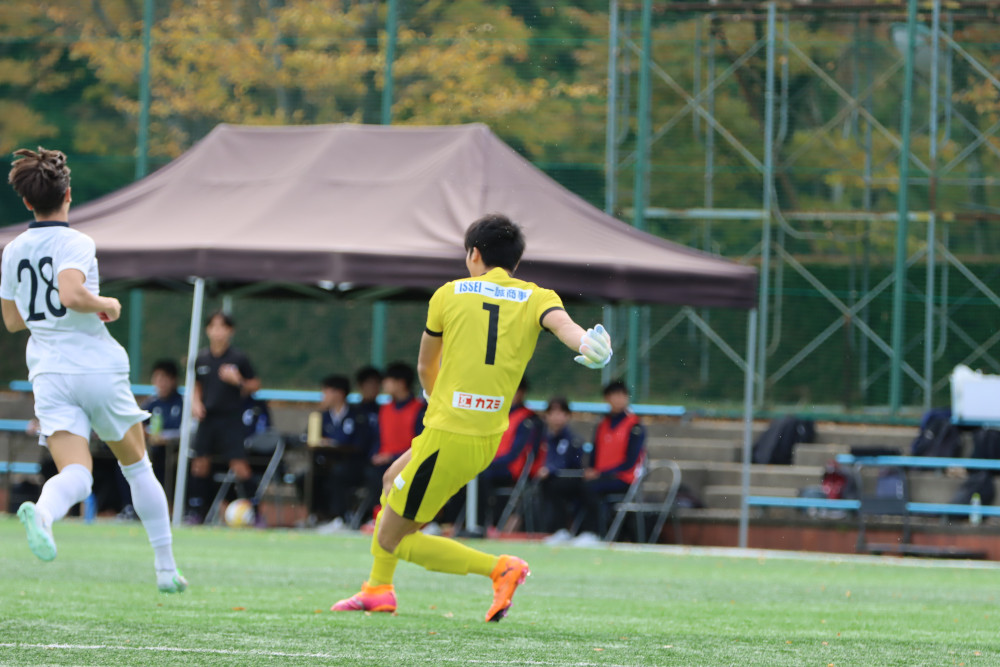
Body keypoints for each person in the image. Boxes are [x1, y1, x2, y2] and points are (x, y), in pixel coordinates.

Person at [331, 213, 612, 621]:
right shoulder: (537, 296)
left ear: (474, 254)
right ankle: (377, 589)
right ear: (516, 261)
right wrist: (587, 342)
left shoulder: (449, 293)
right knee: (391, 479)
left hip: (448, 433)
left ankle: (499, 568)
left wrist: (436, 397)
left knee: (390, 537)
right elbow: (565, 327)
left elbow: (425, 365)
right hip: (484, 436)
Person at [3, 147, 186, 593]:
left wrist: (49, 314)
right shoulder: (77, 242)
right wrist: (107, 304)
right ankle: (166, 570)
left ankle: (43, 513)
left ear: (27, 201)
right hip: (95, 367)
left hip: (48, 373)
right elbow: (70, 293)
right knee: (137, 467)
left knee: (77, 474)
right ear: (68, 194)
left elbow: (12, 320)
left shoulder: (12, 250)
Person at [186, 311, 261, 524]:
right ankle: (197, 511)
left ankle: (256, 511)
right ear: (208, 330)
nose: (218, 332)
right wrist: (196, 403)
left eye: (223, 327)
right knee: (200, 464)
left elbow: (255, 385)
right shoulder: (201, 358)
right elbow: (197, 386)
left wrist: (238, 381)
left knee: (239, 465)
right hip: (207, 419)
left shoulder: (238, 358)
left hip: (230, 419)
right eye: (214, 327)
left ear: (230, 331)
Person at [574, 380, 646, 545]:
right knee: (576, 484)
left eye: (622, 395)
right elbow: (595, 454)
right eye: (614, 395)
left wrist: (601, 473)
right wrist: (591, 470)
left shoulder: (635, 426)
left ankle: (596, 533)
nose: (619, 399)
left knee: (590, 488)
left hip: (623, 478)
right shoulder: (602, 424)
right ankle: (576, 532)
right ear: (607, 398)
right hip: (603, 477)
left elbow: (630, 463)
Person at [356, 362, 425, 527]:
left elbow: (422, 442)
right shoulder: (384, 409)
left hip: (408, 462)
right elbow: (378, 439)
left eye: (388, 380)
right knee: (369, 471)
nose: (383, 384)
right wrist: (375, 455)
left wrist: (393, 457)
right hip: (383, 462)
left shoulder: (419, 409)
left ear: (400, 383)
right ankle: (376, 516)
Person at [116, 359, 184, 520]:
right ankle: (130, 507)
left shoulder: (182, 403)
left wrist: (164, 437)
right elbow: (136, 426)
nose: (160, 383)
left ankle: (167, 509)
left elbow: (184, 431)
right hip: (149, 451)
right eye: (157, 378)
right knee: (124, 463)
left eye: (164, 378)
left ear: (173, 380)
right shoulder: (150, 403)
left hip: (172, 454)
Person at [476, 377, 541, 530]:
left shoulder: (528, 420)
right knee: (463, 472)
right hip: (495, 464)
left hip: (511, 468)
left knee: (480, 475)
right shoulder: (497, 414)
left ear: (522, 393)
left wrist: (488, 462)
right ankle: (455, 522)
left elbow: (516, 454)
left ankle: (481, 524)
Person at [311, 374, 367, 529]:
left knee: (338, 473)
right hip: (326, 463)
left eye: (326, 392)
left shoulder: (357, 415)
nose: (323, 396)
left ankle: (339, 518)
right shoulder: (322, 416)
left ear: (339, 393)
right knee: (306, 477)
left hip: (352, 464)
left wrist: (332, 442)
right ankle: (319, 516)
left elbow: (359, 443)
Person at [536, 397, 587, 544]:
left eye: (561, 413)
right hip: (547, 478)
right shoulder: (541, 438)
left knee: (553, 486)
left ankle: (560, 529)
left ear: (568, 416)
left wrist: (550, 470)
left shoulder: (573, 439)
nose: (556, 417)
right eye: (553, 413)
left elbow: (566, 462)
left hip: (570, 479)